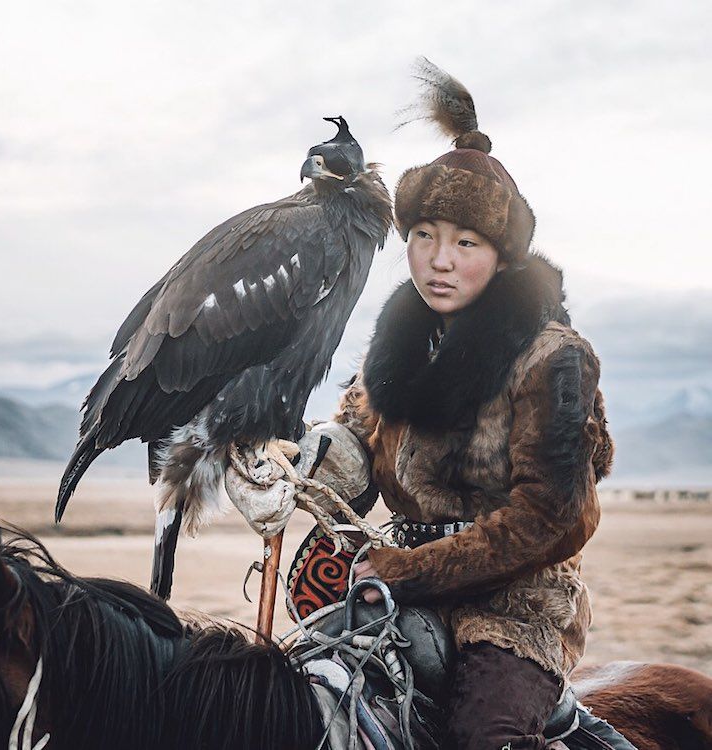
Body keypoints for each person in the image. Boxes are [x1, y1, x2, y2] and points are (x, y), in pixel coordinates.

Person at [290, 61, 615, 749]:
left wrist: (411, 570)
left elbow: (552, 519)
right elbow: (354, 437)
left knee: (481, 736)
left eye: (465, 243)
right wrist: (303, 462)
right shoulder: (398, 346)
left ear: (500, 256)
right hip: (399, 585)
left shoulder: (554, 358)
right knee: (288, 692)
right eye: (423, 236)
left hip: (514, 605)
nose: (439, 261)